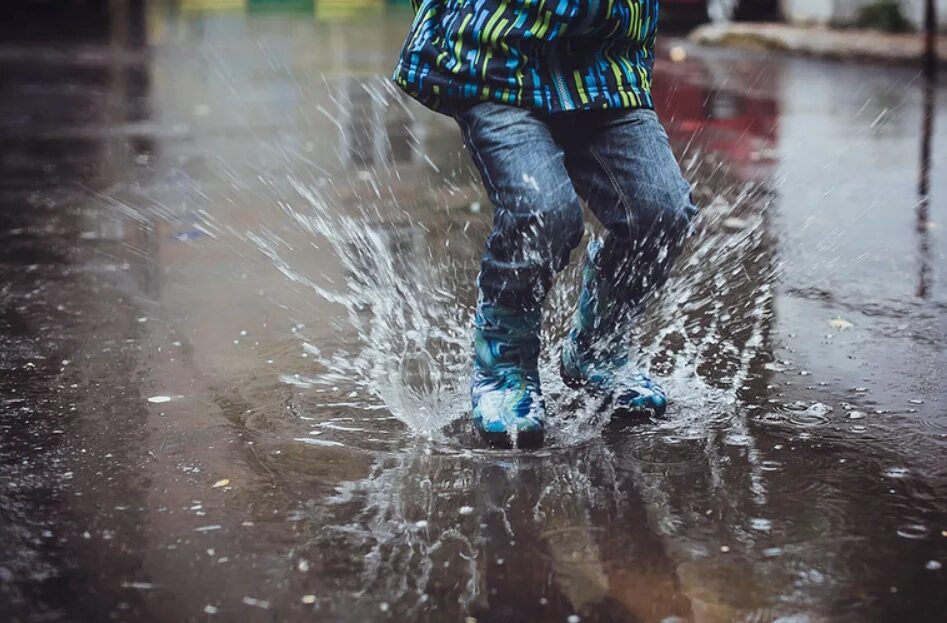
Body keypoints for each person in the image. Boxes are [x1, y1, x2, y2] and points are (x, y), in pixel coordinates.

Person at [393, 1, 698, 447]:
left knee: (660, 213)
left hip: (604, 68)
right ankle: (504, 364)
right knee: (543, 212)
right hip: (495, 61)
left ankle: (597, 350)